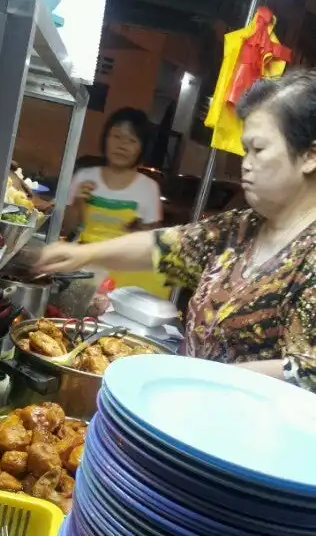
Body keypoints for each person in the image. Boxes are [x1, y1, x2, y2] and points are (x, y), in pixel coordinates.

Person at [37, 69, 316, 392]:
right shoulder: (241, 227)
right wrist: (79, 254)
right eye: (245, 150)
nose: (246, 163)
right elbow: (164, 246)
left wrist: (195, 380)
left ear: (309, 156)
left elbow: (307, 370)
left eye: (258, 149)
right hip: (190, 405)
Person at [63, 108, 167, 297]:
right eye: (117, 136)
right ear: (105, 139)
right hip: (84, 268)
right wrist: (78, 202)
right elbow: (66, 229)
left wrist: (138, 232)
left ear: (142, 148)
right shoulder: (84, 176)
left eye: (132, 140)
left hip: (123, 274)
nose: (122, 145)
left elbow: (151, 244)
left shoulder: (149, 188)